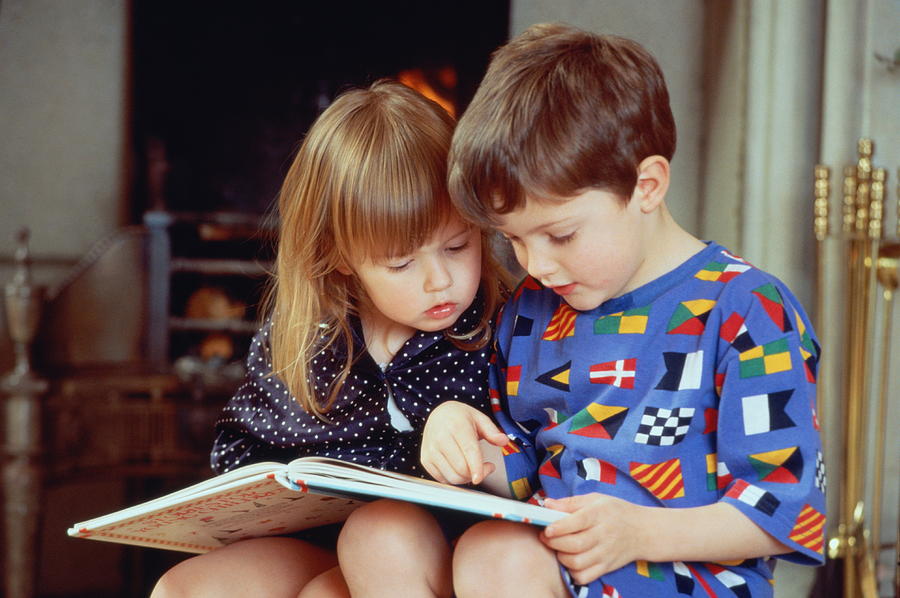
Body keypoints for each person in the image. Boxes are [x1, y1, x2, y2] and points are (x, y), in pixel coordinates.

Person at [421, 23, 826, 597]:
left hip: (681, 574)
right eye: (514, 240)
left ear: (647, 186)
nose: (535, 265)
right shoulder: (535, 310)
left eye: (560, 234)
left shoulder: (745, 309)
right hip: (550, 565)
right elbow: (524, 473)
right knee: (485, 551)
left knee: (497, 560)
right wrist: (462, 439)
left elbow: (785, 508)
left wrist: (641, 533)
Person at [151, 79, 508, 598]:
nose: (439, 280)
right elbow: (243, 452)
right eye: (402, 262)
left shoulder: (499, 328)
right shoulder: (306, 338)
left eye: (458, 246)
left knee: (357, 558)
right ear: (341, 255)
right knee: (181, 589)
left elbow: (540, 455)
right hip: (320, 533)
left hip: (438, 548)